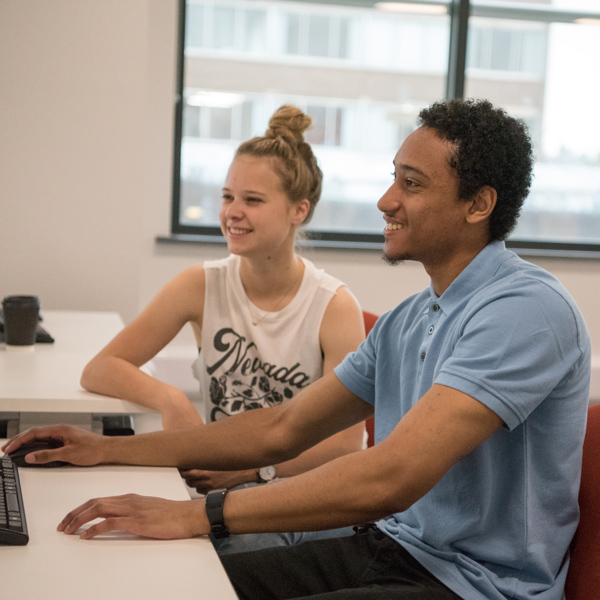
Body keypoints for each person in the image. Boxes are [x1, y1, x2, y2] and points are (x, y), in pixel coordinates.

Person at [3, 99, 591, 600]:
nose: (386, 201)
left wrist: (199, 514)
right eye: (393, 177)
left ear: (478, 204)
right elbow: (283, 425)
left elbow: (393, 475)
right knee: (172, 582)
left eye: (411, 184)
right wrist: (107, 449)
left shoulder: (524, 310)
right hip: (394, 545)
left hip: (473, 584)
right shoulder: (411, 319)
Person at [77, 104, 367, 553]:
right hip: (222, 489)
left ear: (299, 210)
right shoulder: (201, 284)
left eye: (253, 200)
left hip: (301, 494)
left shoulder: (334, 306)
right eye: (228, 196)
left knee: (211, 560)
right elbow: (100, 368)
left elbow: (347, 447)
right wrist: (171, 397)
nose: (233, 212)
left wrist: (254, 472)